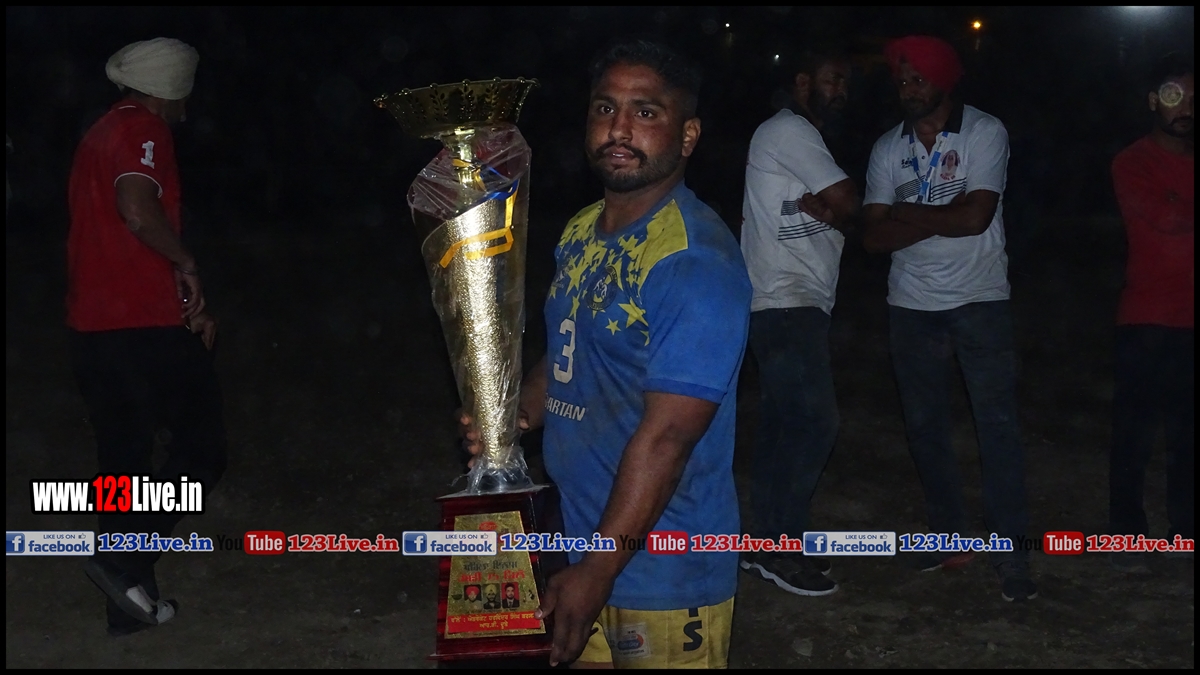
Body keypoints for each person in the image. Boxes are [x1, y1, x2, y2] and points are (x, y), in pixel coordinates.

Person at [462, 39, 751, 668]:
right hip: (576, 543)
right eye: (605, 108)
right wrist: (515, 414)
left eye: (646, 112)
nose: (619, 129)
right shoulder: (581, 230)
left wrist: (598, 569)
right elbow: (571, 355)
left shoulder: (694, 262)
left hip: (665, 566)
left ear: (688, 135)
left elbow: (668, 438)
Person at [861, 35, 1036, 602]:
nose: (908, 89)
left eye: (918, 79)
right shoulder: (888, 147)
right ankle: (949, 538)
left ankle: (1011, 554)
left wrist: (905, 213)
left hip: (979, 298)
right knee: (925, 428)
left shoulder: (984, 131)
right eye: (902, 80)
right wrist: (940, 214)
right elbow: (872, 237)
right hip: (911, 305)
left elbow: (976, 219)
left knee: (997, 429)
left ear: (944, 79)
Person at [67, 37, 227, 635]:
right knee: (202, 451)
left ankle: (129, 608)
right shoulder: (143, 129)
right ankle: (123, 560)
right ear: (173, 87)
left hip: (93, 325)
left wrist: (181, 302)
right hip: (138, 326)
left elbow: (115, 238)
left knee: (123, 466)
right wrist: (186, 262)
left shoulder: (101, 131)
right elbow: (136, 210)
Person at [738, 45, 861, 598]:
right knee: (815, 423)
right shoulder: (789, 130)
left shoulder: (803, 138)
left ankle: (762, 543)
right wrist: (840, 209)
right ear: (803, 81)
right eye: (832, 79)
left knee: (783, 425)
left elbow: (842, 211)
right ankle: (780, 547)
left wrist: (837, 211)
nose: (841, 92)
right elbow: (850, 201)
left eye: (846, 83)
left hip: (789, 301)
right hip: (786, 299)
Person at [1108, 53, 1194, 571]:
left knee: (1188, 438)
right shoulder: (1132, 161)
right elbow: (1164, 217)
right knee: (1134, 437)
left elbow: (1176, 212)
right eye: (1174, 96)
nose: (1185, 108)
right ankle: (1126, 537)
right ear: (1152, 102)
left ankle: (1185, 534)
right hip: (1146, 317)